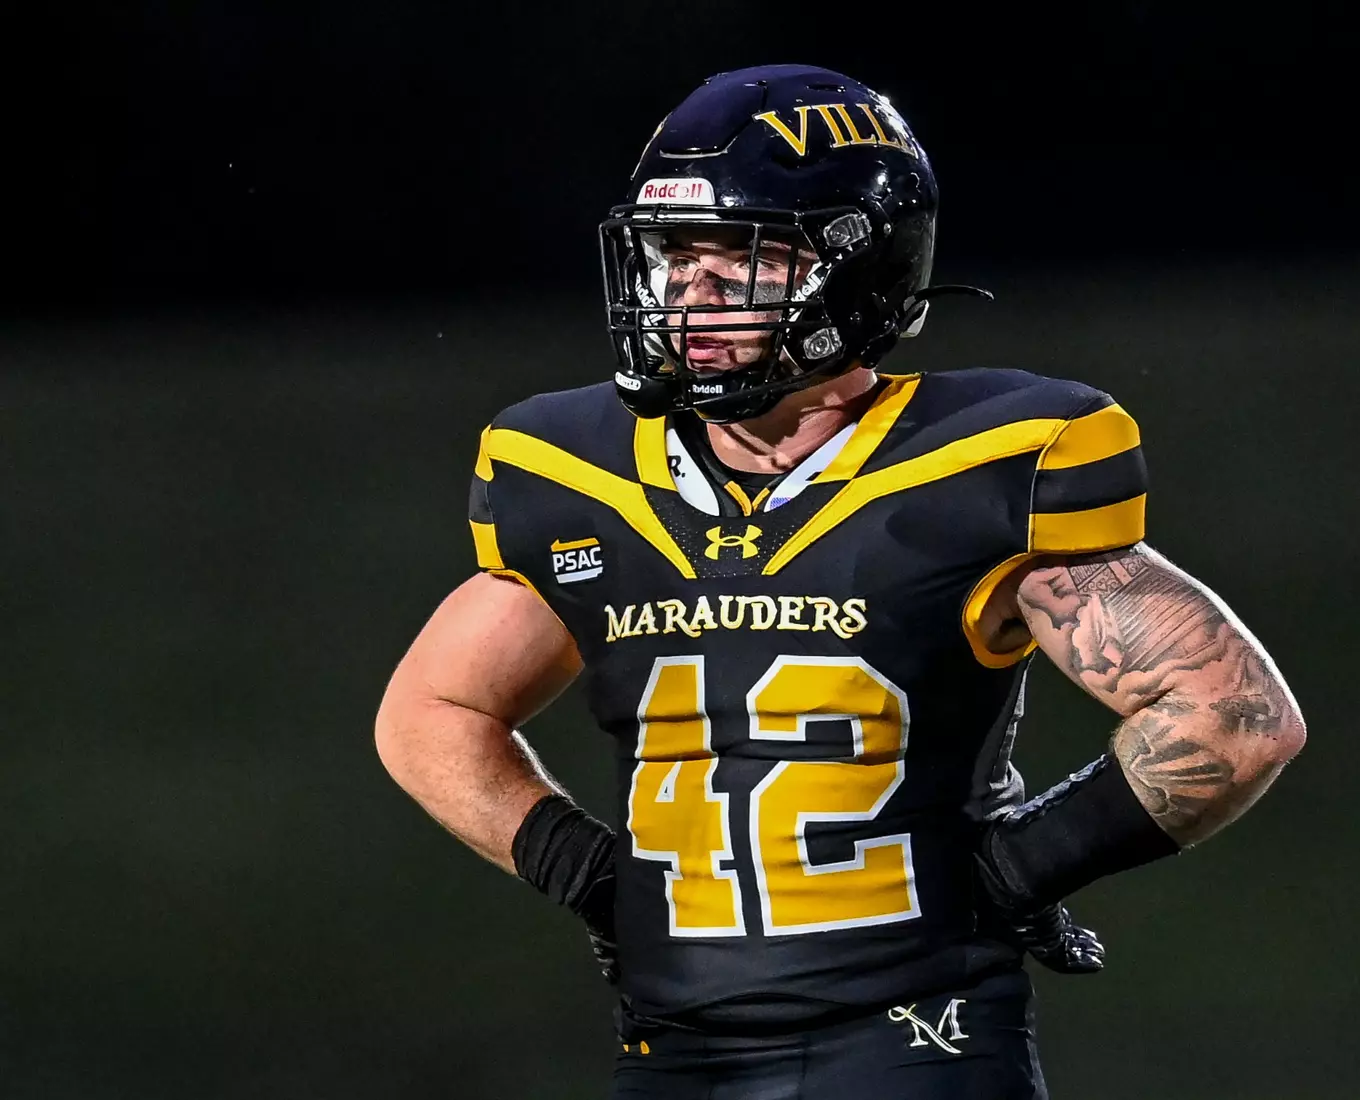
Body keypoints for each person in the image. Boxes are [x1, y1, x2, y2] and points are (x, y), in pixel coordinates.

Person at [375, 63, 1306, 1099]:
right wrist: (587, 872)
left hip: (916, 1041)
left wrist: (1021, 867)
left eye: (743, 255)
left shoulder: (979, 459)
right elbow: (431, 710)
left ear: (859, 267)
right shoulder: (569, 472)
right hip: (673, 1050)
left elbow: (1235, 716)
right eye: (675, 253)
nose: (694, 292)